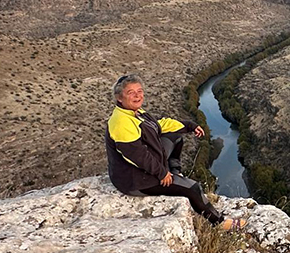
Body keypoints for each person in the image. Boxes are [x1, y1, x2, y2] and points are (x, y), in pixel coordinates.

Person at [105, 73, 246, 230]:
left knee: (175, 137)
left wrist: (189, 126)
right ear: (119, 97)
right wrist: (161, 173)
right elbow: (137, 156)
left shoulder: (136, 113)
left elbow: (160, 126)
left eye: (140, 91)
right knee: (193, 188)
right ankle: (219, 223)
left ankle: (176, 172)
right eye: (131, 93)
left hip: (147, 167)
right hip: (136, 179)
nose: (138, 96)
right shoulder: (121, 121)